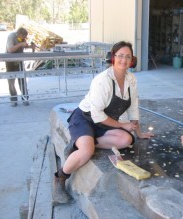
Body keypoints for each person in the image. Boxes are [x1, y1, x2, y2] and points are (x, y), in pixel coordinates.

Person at [53, 41, 154, 204]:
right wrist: (122, 125)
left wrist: (139, 133)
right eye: (120, 56)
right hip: (85, 118)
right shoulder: (103, 81)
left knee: (126, 140)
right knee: (86, 152)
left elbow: (133, 106)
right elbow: (97, 115)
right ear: (113, 58)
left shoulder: (131, 79)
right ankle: (60, 178)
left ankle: (84, 142)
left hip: (105, 122)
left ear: (132, 60)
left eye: (128, 56)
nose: (124, 60)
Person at [5, 27, 36, 107]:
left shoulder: (22, 39)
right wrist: (21, 44)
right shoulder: (11, 37)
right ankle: (13, 100)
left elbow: (23, 47)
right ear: (19, 34)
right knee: (11, 82)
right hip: (10, 62)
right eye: (23, 37)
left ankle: (25, 98)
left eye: (25, 38)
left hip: (19, 61)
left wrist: (30, 46)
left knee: (22, 80)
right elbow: (10, 49)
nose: (24, 39)